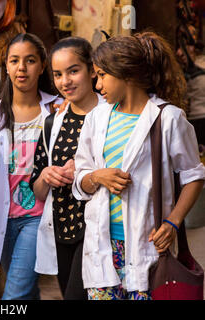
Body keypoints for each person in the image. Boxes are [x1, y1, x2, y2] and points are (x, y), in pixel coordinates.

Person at [72, 32, 205, 300]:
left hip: (148, 247)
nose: (97, 86)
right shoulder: (96, 118)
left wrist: (173, 221)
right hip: (102, 250)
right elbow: (80, 177)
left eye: (102, 76)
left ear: (126, 74)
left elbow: (194, 176)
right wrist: (97, 176)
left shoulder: (168, 119)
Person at [0, 33, 63, 300]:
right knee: (26, 292)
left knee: (14, 294)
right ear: (5, 66)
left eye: (30, 61)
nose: (22, 68)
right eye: (15, 60)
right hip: (4, 219)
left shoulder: (57, 110)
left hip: (40, 216)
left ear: (42, 66)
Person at [29, 36, 105, 300]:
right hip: (62, 229)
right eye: (58, 74)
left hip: (97, 228)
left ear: (92, 69)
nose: (65, 81)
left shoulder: (112, 115)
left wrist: (87, 174)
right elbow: (37, 190)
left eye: (73, 71)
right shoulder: (53, 122)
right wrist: (47, 176)